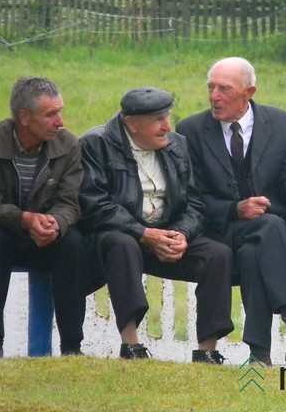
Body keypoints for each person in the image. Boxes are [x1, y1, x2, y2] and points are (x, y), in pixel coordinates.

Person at [176, 57, 286, 367]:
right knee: (266, 231)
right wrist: (234, 209)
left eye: (224, 89)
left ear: (249, 91)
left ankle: (260, 357)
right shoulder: (190, 130)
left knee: (261, 241)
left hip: (271, 238)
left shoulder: (282, 124)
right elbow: (191, 198)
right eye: (210, 87)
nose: (214, 96)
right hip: (219, 234)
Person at [77, 86, 234, 362]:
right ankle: (131, 346)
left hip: (163, 235)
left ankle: (207, 351)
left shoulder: (177, 145)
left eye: (168, 117)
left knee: (217, 253)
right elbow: (95, 205)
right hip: (117, 239)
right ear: (131, 124)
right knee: (123, 244)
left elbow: (195, 203)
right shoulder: (96, 143)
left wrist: (181, 234)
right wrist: (143, 233)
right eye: (158, 120)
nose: (167, 127)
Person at [0, 76, 88, 358]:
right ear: (24, 117)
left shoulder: (68, 145)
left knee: (74, 243)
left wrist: (55, 224)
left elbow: (70, 202)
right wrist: (26, 219)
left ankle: (72, 348)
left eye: (60, 111)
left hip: (42, 237)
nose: (61, 121)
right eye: (51, 114)